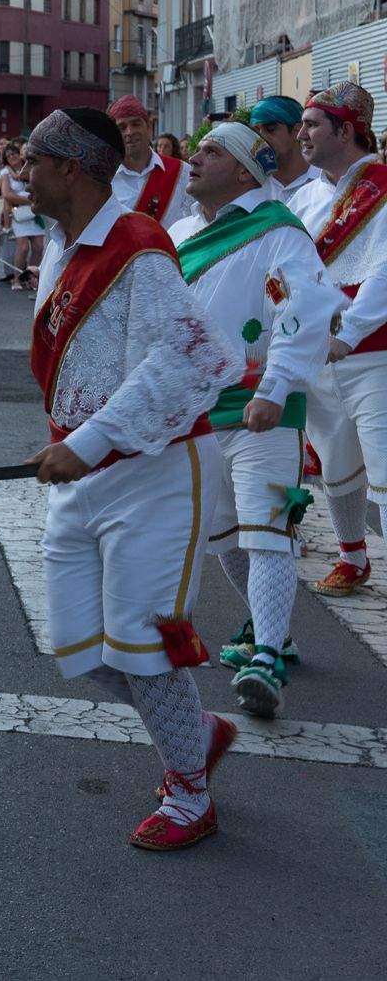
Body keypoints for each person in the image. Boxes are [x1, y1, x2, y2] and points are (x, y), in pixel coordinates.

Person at [22, 107, 240, 850]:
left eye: (32, 162)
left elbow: (198, 359)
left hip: (155, 476)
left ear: (71, 169)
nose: (22, 174)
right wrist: (72, 440)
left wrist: (93, 438)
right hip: (87, 475)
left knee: (142, 647)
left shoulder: (138, 249)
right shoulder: (63, 244)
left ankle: (190, 796)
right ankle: (196, 728)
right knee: (81, 649)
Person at [169, 124, 339, 717]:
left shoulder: (277, 230)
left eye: (211, 152)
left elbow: (306, 308)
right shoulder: (181, 232)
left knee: (267, 528)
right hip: (198, 412)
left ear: (245, 171)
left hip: (262, 409)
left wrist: (275, 386)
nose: (194, 158)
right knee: (223, 537)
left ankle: (267, 655)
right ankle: (274, 631)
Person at [290, 81, 387, 597]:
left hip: (374, 355)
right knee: (335, 461)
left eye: (312, 124)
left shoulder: (383, 186)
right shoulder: (307, 194)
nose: (301, 133)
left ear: (346, 130)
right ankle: (353, 557)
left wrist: (347, 334)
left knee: (385, 466)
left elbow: (385, 271)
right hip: (318, 353)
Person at [107, 96, 192, 228]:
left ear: (149, 127)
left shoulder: (182, 172)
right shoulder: (104, 179)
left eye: (136, 124)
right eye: (122, 127)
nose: (129, 132)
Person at [248, 95, 319, 203]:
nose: (261, 137)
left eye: (270, 129)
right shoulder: (251, 186)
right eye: (256, 131)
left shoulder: (325, 179)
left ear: (298, 130)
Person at [0, 142, 45, 291]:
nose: (11, 157)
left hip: (34, 212)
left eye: (13, 153)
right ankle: (16, 279)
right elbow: (7, 194)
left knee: (38, 247)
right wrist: (30, 199)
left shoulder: (29, 168)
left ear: (19, 154)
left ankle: (31, 279)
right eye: (8, 156)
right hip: (19, 213)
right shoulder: (5, 173)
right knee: (23, 247)